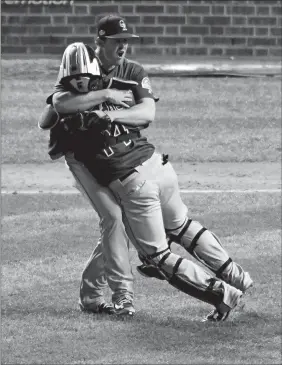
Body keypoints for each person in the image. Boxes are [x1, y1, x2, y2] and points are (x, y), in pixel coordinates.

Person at [58, 53, 254, 322]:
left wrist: (93, 111)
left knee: (157, 257)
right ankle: (237, 276)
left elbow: (52, 114)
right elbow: (144, 115)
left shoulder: (74, 112)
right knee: (182, 226)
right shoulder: (120, 97)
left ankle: (223, 294)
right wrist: (108, 98)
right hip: (158, 165)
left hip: (136, 183)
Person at [40, 14, 158, 316]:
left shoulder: (131, 70)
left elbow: (148, 113)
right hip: (81, 159)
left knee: (117, 222)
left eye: (126, 41)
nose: (123, 46)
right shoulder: (79, 59)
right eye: (117, 41)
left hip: (114, 158)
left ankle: (92, 298)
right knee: (113, 218)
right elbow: (56, 107)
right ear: (100, 42)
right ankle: (122, 297)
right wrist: (105, 94)